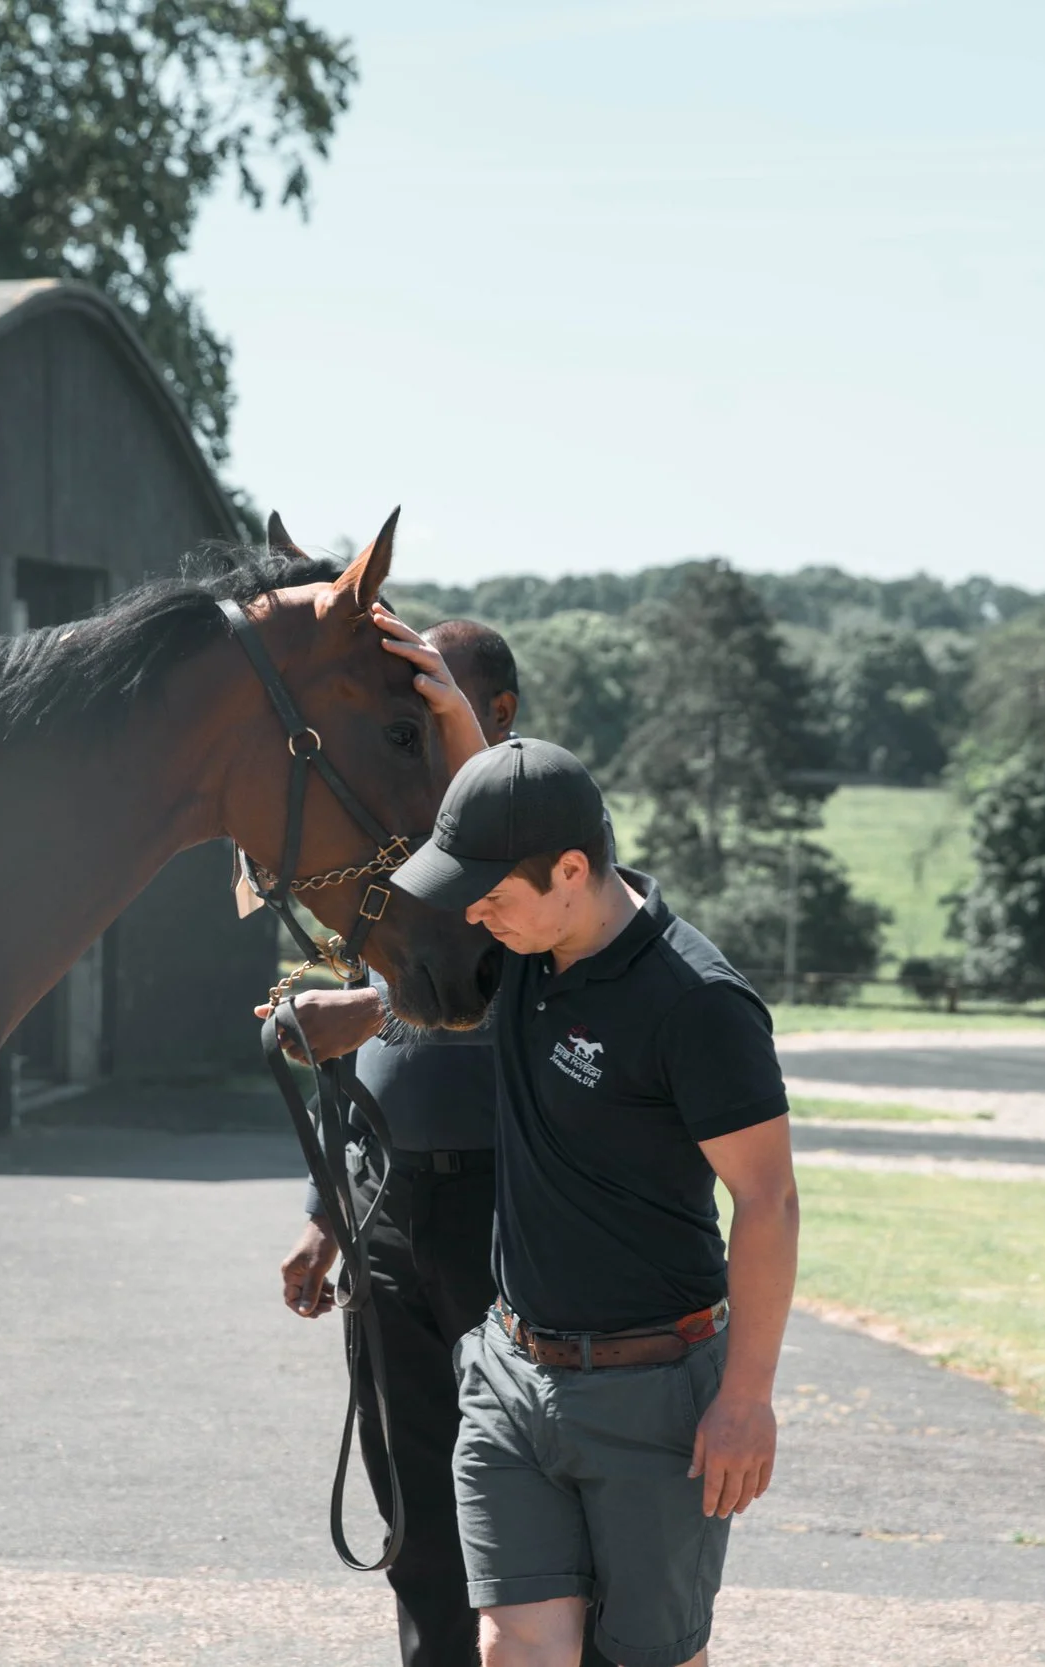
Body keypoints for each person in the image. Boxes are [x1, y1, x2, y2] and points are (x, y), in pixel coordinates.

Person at [385, 735, 801, 1667]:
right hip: (509, 1368)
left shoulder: (698, 1004)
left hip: (653, 1392)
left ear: (572, 870)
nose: (477, 913)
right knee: (514, 1645)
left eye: (493, 893)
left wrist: (748, 1397)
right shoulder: (531, 948)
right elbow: (515, 795)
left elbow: (768, 1201)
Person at [276, 619, 615, 1667]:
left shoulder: (552, 837)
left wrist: (368, 1008)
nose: (419, 731)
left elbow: (546, 973)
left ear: (495, 716)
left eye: (437, 706)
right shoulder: (409, 857)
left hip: (503, 1210)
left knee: (528, 1487)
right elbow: (361, 1075)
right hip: (386, 1205)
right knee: (412, 1494)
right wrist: (324, 1217)